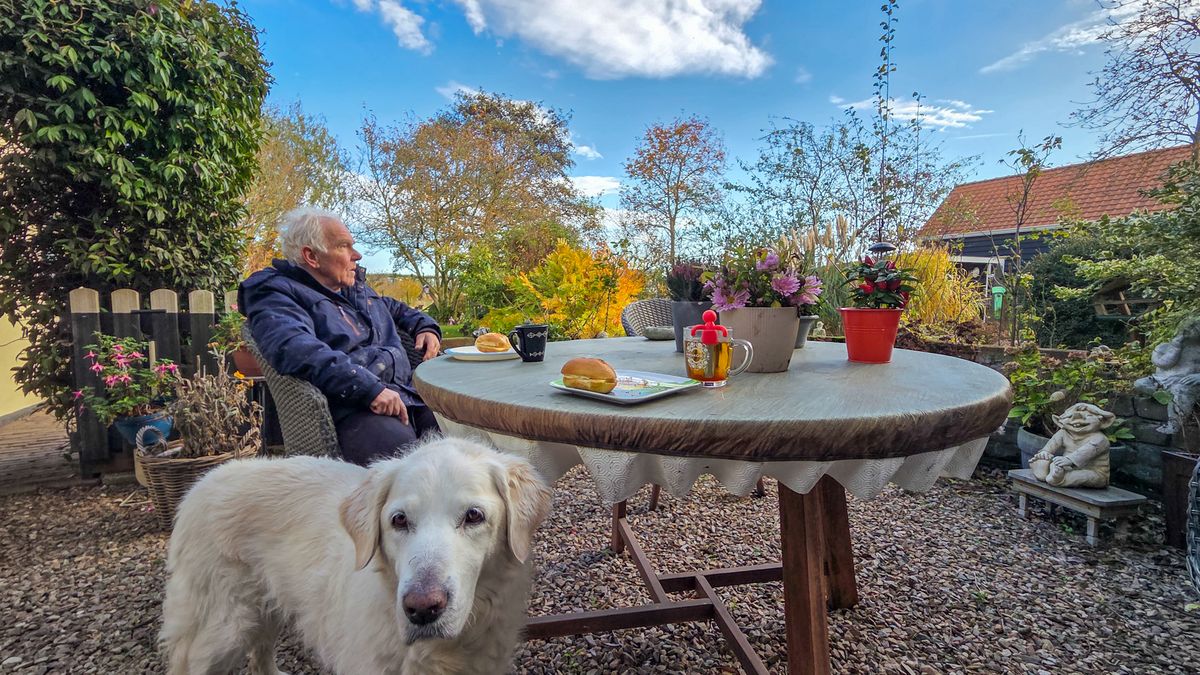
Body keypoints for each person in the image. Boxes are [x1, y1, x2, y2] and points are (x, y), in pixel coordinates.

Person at [238, 207, 442, 465]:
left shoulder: (353, 288)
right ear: (311, 256)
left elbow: (395, 309)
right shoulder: (275, 293)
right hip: (354, 407)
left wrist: (425, 326)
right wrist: (368, 389)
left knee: (464, 438)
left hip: (405, 394)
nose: (356, 255)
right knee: (408, 469)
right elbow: (294, 348)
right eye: (344, 246)